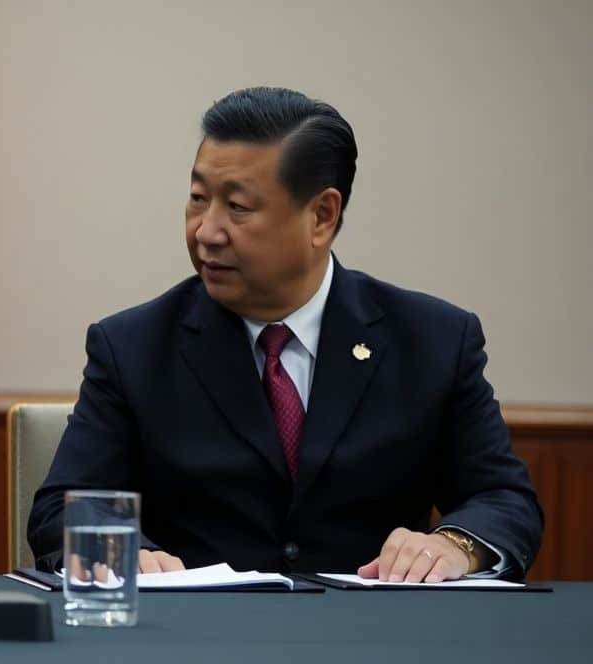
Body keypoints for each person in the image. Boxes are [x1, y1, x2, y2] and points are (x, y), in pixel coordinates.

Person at [29, 87, 542, 583]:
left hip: (375, 629)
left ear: (322, 216)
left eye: (237, 206)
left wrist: (455, 544)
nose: (206, 231)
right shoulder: (134, 347)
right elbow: (64, 507)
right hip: (196, 630)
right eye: (198, 199)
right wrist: (129, 553)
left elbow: (504, 499)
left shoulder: (433, 341)